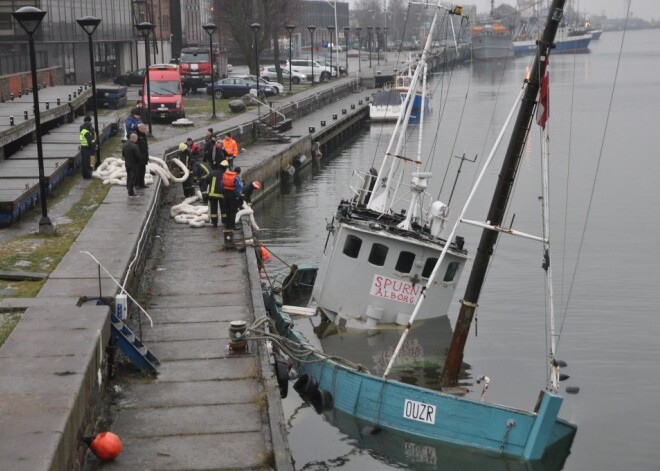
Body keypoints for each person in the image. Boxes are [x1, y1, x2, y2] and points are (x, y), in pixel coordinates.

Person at [204, 161, 228, 227]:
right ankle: (224, 221)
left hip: (212, 194)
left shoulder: (212, 173)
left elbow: (206, 180)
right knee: (223, 209)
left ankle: (214, 223)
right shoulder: (225, 174)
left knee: (213, 209)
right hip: (222, 194)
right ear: (225, 168)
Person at [221, 165, 243, 230]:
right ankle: (232, 226)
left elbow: (221, 185)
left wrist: (224, 193)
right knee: (233, 211)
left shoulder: (224, 175)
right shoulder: (236, 177)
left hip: (225, 194)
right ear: (238, 172)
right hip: (232, 195)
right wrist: (238, 196)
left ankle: (227, 225)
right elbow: (238, 188)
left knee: (227, 210)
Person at [122, 133, 142, 198]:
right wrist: (139, 162)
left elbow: (123, 154)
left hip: (127, 163)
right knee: (132, 178)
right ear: (135, 138)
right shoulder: (135, 146)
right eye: (136, 138)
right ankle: (131, 193)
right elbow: (138, 156)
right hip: (134, 164)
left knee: (128, 176)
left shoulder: (124, 145)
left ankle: (128, 188)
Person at [135, 123, 149, 188]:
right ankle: (137, 184)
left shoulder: (144, 135)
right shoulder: (136, 135)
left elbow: (145, 146)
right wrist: (138, 156)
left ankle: (142, 183)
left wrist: (147, 156)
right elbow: (135, 147)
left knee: (143, 171)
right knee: (137, 171)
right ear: (140, 128)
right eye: (144, 129)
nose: (145, 130)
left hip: (144, 156)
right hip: (138, 158)